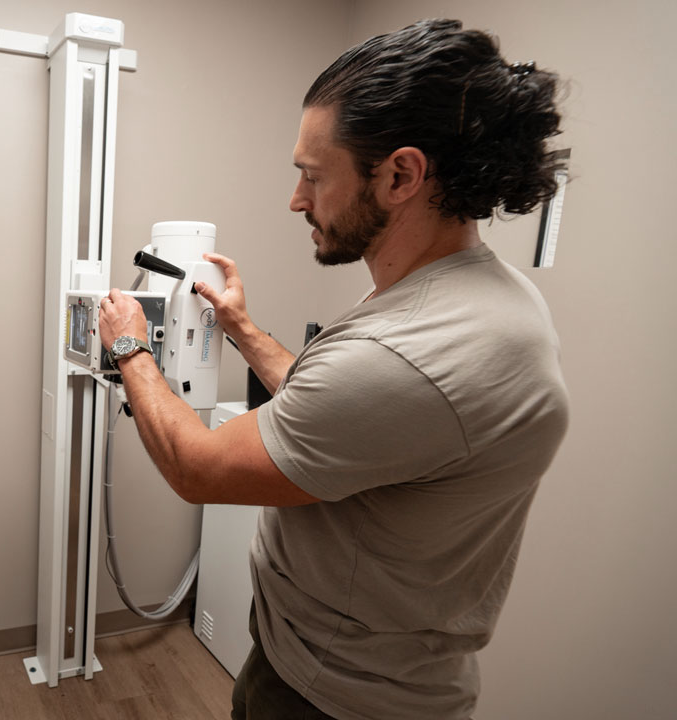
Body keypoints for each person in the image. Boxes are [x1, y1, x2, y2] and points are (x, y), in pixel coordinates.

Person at [96, 19, 570, 720]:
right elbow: (346, 411)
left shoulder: (402, 354)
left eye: (313, 176)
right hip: (372, 674)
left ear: (400, 175)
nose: (297, 199)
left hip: (327, 696)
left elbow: (197, 469)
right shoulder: (478, 297)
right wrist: (242, 330)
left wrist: (129, 347)